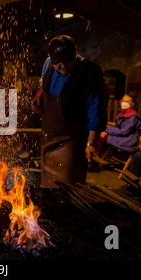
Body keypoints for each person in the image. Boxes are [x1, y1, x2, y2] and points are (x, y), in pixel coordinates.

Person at [37, 35, 107, 187]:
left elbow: (95, 107)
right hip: (48, 140)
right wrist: (37, 99)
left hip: (72, 143)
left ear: (76, 52)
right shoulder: (48, 64)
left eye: (67, 61)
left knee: (66, 189)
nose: (62, 67)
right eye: (58, 63)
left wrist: (91, 143)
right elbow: (42, 87)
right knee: (47, 189)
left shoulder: (89, 71)